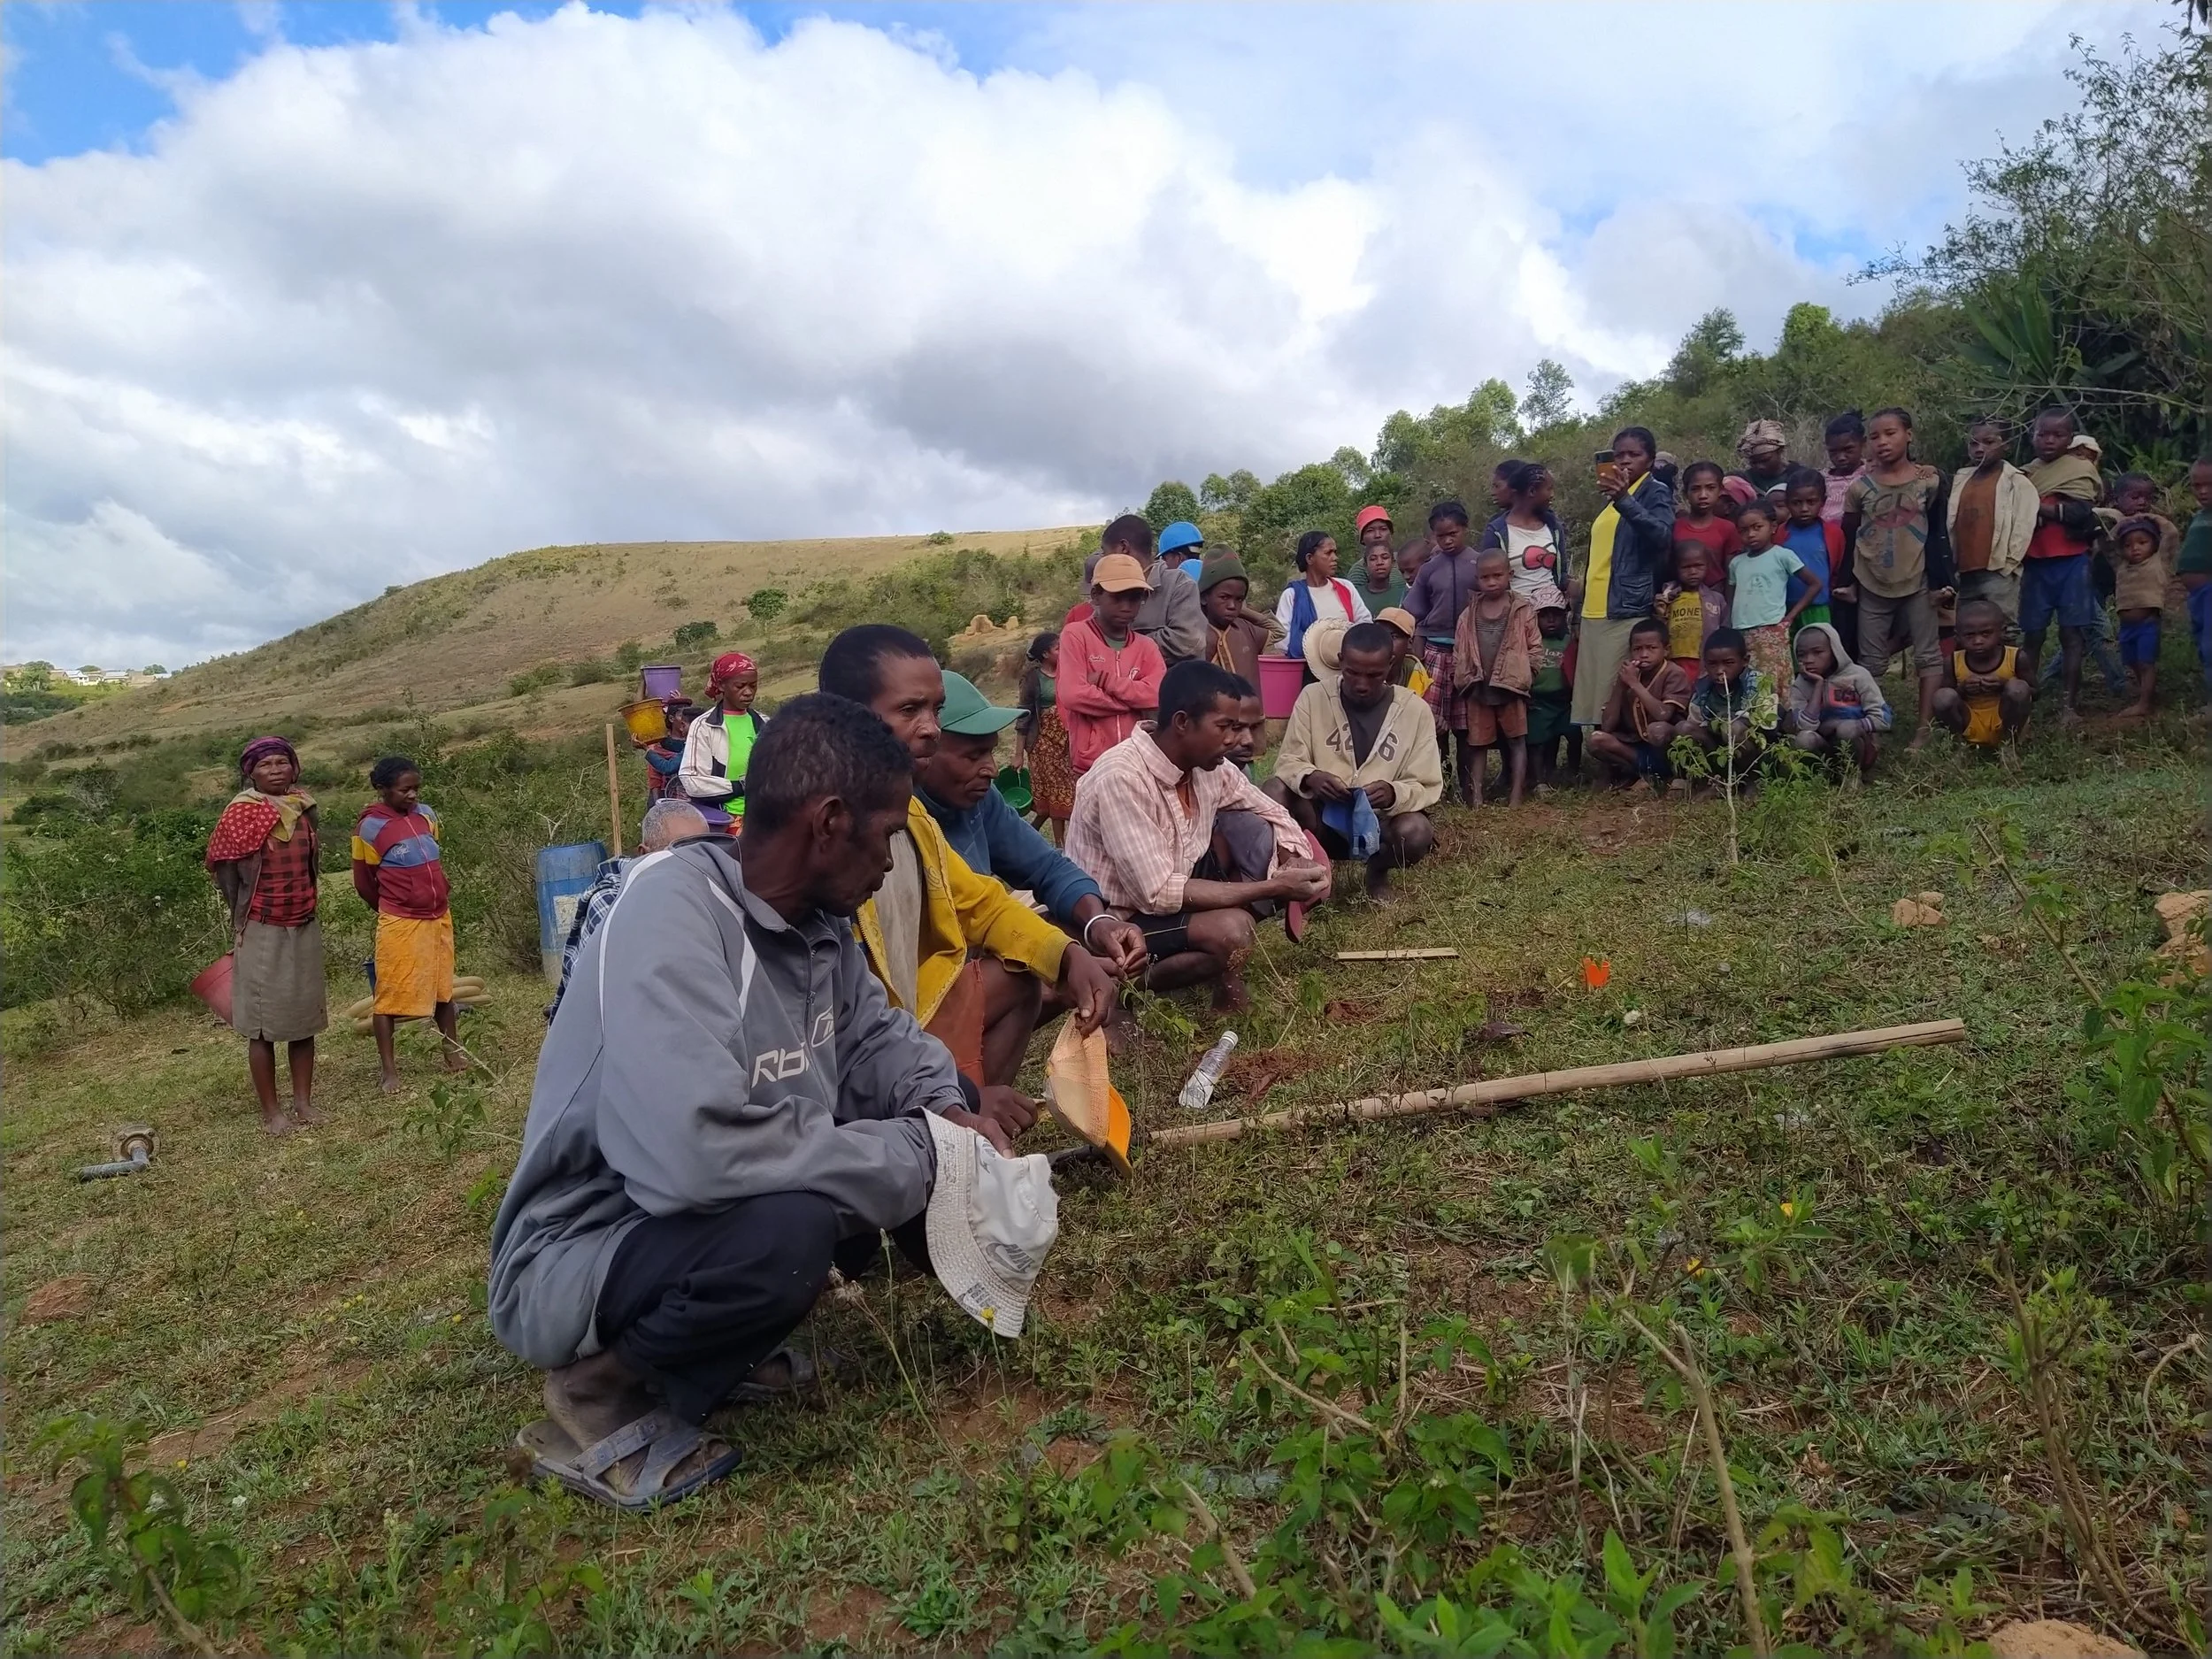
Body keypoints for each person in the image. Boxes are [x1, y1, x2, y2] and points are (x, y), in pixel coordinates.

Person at [491, 695, 1059, 1511]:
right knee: (787, 1229)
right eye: (888, 833)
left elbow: (877, 1043)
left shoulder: (817, 925)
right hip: (583, 1243)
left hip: (680, 1221)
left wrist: (947, 1115)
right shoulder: (673, 915)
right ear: (830, 822)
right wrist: (918, 1155)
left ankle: (716, 1356)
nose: (892, 862)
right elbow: (696, 1155)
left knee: (883, 1155)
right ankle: (596, 1398)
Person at [820, 627, 1118, 1101]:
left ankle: (969, 1125)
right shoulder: (829, 833)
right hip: (856, 1055)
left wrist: (1070, 953)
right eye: (909, 710)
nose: (930, 728)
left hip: (911, 1018)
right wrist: (960, 1097)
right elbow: (850, 1014)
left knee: (1019, 974)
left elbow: (985, 902)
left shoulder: (915, 818)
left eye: (935, 711)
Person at [1065, 661, 1330, 1013]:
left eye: (1236, 728)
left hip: (1162, 903)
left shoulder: (1210, 768)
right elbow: (1156, 894)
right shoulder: (1122, 777)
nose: (1235, 740)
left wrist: (1291, 857)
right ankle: (1116, 984)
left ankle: (1218, 975)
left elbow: (1273, 811)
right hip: (1115, 922)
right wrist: (1273, 888)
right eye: (1224, 727)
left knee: (1255, 831)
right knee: (1233, 930)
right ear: (1181, 723)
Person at [915, 670, 1151, 978]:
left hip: (977, 953)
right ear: (922, 751)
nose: (992, 769)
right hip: (927, 985)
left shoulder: (978, 801)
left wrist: (1098, 922)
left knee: (1069, 933)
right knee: (1027, 974)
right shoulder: (899, 824)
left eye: (989, 752)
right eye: (973, 756)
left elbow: (1047, 867)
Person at [1265, 622, 1442, 900]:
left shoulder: (1414, 710)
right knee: (1273, 790)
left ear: (1390, 664)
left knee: (1416, 831)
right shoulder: (1314, 697)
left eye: (1374, 675)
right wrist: (1311, 777)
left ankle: (1378, 871)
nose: (1362, 684)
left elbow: (1427, 784)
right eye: (1352, 673)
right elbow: (1288, 761)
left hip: (1379, 824)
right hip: (1321, 817)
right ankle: (1299, 876)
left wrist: (1393, 792)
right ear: (1340, 661)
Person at [204, 736, 327, 1134]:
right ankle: (272, 1111)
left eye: (282, 763)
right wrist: (241, 918)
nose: (276, 770)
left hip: (303, 922)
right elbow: (227, 877)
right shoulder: (240, 814)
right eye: (266, 765)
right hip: (262, 926)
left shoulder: (303, 807)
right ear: (250, 773)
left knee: (303, 1017)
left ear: (295, 768)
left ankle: (304, 1103)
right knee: (261, 1025)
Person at [1838, 406, 1953, 751]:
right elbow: (1849, 537)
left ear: (1909, 434)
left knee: (1928, 656)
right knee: (1871, 662)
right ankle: (1871, 730)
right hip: (1871, 581)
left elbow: (1937, 533)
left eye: (1890, 433)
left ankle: (1924, 729)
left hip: (1917, 579)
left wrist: (1941, 581)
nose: (1882, 442)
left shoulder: (1928, 482)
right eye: (1874, 437)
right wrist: (1848, 582)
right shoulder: (1860, 489)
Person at [352, 756, 465, 1093]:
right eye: (405, 790)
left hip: (438, 916)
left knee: (442, 988)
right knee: (389, 995)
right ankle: (389, 1071)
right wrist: (393, 905)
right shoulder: (370, 828)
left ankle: (453, 1053)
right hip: (400, 920)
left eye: (416, 788)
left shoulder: (426, 816)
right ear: (383, 789)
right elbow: (364, 881)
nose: (413, 795)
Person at [547, 798, 710, 1019]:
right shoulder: (610, 903)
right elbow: (605, 997)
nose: (696, 864)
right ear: (645, 853)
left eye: (704, 851)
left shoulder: (708, 897)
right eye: (681, 852)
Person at [1572, 426, 1678, 733]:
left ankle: (1626, 760)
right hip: (1596, 607)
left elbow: (1662, 536)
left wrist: (1624, 500)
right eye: (1620, 455)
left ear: (1651, 460)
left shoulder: (1653, 491)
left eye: (1635, 454)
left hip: (1626, 606)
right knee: (1596, 688)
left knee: (1618, 687)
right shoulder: (1612, 497)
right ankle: (1603, 755)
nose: (1626, 461)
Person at [2017, 408, 2104, 723]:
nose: (2050, 440)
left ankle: (2069, 706)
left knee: (2072, 635)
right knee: (2033, 636)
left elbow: (2083, 512)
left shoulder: (2079, 469)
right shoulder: (2023, 474)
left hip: (2072, 561)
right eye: (2043, 434)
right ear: (2033, 436)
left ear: (2069, 440)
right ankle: (2026, 699)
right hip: (2035, 564)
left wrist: (2039, 509)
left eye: (2058, 435)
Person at [1449, 547, 1542, 806]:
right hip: (1479, 690)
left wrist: (1527, 672)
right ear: (1477, 578)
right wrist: (1464, 675)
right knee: (1478, 744)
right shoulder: (1469, 614)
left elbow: (1535, 646)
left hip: (1511, 688)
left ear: (1509, 575)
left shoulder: (1521, 609)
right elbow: (1460, 650)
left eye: (1497, 576)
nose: (1491, 582)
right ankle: (1477, 798)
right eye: (1485, 577)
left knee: (1516, 740)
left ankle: (1515, 797)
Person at [1060, 554, 1167, 774]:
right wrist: (1135, 701)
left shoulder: (1146, 647)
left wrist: (1105, 681)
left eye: (1135, 598)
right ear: (1096, 596)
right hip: (1092, 764)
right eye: (1117, 597)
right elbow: (1072, 695)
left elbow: (1158, 695)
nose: (1127, 606)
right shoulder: (1076, 635)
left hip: (1137, 761)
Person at [1404, 501, 1484, 768]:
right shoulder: (1429, 569)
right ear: (1433, 536)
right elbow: (1415, 615)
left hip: (1468, 653)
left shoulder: (1478, 564)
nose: (1448, 540)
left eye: (1454, 533)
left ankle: (1466, 781)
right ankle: (1440, 777)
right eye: (1441, 535)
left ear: (1465, 529)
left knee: (1465, 725)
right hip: (1434, 653)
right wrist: (1417, 660)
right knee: (1433, 722)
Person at [1945, 418, 2037, 637]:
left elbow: (2024, 525)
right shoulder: (1961, 478)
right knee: (1967, 628)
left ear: (2006, 445)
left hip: (1998, 570)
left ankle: (2010, 671)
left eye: (1988, 442)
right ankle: (1973, 672)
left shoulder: (2017, 481)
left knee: (2004, 628)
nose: (1980, 449)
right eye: (1974, 443)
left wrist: (2009, 563)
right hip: (1966, 571)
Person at [1082, 514, 1205, 665]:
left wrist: (1122, 647)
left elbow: (1186, 640)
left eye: (1105, 552)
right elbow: (1092, 639)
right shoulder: (1108, 590)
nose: (1103, 558)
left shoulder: (1179, 585)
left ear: (1123, 548)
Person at [1586, 619, 1689, 790]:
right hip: (1635, 747)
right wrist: (1620, 684)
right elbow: (1607, 725)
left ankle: (1672, 774)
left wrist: (1635, 685)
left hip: (1666, 748)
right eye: (1637, 649)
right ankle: (1645, 773)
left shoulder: (1674, 673)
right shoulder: (1629, 676)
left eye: (1651, 648)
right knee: (1596, 740)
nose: (1644, 654)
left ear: (1666, 650)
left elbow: (1663, 715)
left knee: (1657, 730)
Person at [1784, 623, 1891, 785]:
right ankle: (1821, 780)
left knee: (1846, 728)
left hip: (1860, 746)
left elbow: (1883, 719)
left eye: (1818, 652)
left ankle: (1851, 777)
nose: (1809, 660)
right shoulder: (1801, 684)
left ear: (1834, 651)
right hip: (1825, 746)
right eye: (1802, 655)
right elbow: (1804, 726)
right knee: (1804, 739)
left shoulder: (1858, 675)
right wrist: (1818, 685)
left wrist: (1839, 724)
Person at [1724, 498, 1816, 682]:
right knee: (1747, 680)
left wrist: (1790, 617)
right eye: (1744, 530)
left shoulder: (1782, 555)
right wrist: (1730, 623)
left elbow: (1815, 584)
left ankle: (1781, 711)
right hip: (1741, 631)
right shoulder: (1736, 563)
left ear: (1773, 527)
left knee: (1773, 679)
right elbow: (1731, 595)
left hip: (1771, 629)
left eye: (1757, 527)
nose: (1751, 534)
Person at [1678, 627, 1780, 783]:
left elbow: (1768, 724)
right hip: (1719, 751)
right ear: (1705, 664)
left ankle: (1753, 781)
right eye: (1713, 664)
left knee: (1733, 727)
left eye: (1728, 663)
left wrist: (1730, 719)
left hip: (1758, 752)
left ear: (1745, 661)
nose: (1720, 670)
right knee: (1683, 729)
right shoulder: (1703, 690)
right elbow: (1695, 724)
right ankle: (1712, 780)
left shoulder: (1758, 683)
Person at [679, 652, 765, 829]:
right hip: (723, 821)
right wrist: (739, 787)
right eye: (740, 686)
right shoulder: (704, 726)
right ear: (721, 685)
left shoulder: (766, 723)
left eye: (753, 686)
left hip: (764, 817)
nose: (748, 692)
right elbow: (692, 780)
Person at [1932, 599, 2033, 749]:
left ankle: (2009, 745)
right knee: (1942, 696)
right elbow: (1946, 699)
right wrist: (1963, 689)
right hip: (1969, 720)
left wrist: (2004, 684)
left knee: (2018, 687)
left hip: (2005, 719)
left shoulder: (2016, 657)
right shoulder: (1953, 661)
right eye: (1969, 635)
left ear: (2002, 631)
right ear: (1958, 636)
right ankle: (1959, 745)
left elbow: (2035, 692)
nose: (1978, 641)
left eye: (1986, 634)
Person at [1013, 633, 1075, 841]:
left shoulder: (1070, 671)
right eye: (1057, 648)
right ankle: (1060, 845)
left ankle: (1028, 833)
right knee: (1056, 792)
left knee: (1065, 792)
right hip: (1043, 743)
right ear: (1045, 654)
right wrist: (1018, 754)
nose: (1062, 652)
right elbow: (1024, 715)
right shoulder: (1033, 679)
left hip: (1068, 741)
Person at [1274, 530, 1371, 661]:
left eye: (1335, 552)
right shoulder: (1292, 595)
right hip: (1307, 668)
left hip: (1347, 664)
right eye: (1328, 553)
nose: (1335, 558)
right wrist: (1318, 651)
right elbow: (1281, 638)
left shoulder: (1345, 587)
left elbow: (1365, 623)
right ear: (1310, 558)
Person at [2107, 516, 2169, 719]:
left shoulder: (2158, 561)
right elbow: (2108, 543)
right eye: (2128, 545)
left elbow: (2172, 534)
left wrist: (2150, 518)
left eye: (2143, 542)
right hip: (2126, 626)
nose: (2135, 548)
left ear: (2155, 543)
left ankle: (2144, 704)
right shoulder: (2122, 566)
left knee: (2145, 662)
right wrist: (2123, 523)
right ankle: (2148, 691)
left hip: (2147, 623)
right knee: (2132, 662)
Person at [1480, 461, 1568, 604]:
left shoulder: (1553, 527)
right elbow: (1488, 578)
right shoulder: (1497, 531)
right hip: (1515, 615)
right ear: (1532, 492)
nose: (1552, 495)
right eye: (1549, 489)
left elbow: (1561, 574)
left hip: (1552, 617)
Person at [1525, 585, 1578, 791]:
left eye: (1556, 615)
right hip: (1538, 700)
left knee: (1574, 735)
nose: (1550, 620)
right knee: (1538, 740)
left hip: (1564, 700)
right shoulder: (1531, 643)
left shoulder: (1568, 642)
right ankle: (1539, 780)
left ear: (1564, 616)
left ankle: (1572, 772)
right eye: (1544, 616)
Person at [1199, 557, 1282, 687]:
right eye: (1224, 597)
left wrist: (1243, 611)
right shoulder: (1196, 632)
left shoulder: (1246, 629)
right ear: (1204, 598)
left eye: (1239, 599)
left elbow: (1278, 631)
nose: (1232, 605)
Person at [1778, 467, 1839, 634]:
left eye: (1811, 502)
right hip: (1783, 608)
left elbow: (1837, 566)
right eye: (1797, 503)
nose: (1804, 508)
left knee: (1817, 650)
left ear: (1823, 502)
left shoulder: (1832, 533)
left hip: (1819, 606)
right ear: (1787, 502)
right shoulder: (1778, 534)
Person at [1662, 542, 1730, 682]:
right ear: (1676, 569)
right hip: (1674, 660)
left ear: (1707, 566)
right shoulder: (1668, 597)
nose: (1693, 572)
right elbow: (1660, 626)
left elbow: (1725, 630)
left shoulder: (1716, 599)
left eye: (1699, 566)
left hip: (1704, 661)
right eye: (1686, 567)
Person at [1672, 462, 1741, 587]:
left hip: (1717, 597)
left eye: (1710, 488)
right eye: (1695, 489)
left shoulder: (1728, 529)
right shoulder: (1675, 527)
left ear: (1720, 491)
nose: (1703, 495)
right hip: (1681, 598)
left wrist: (1728, 604)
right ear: (1685, 493)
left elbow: (1731, 574)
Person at [2179, 457, 2212, 717]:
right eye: (2197, 485)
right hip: (2199, 597)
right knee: (2204, 645)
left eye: (2210, 485)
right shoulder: (2201, 516)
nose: (2203, 491)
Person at [641, 700, 695, 804]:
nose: (683, 721)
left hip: (690, 798)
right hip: (665, 796)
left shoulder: (693, 744)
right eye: (681, 716)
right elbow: (655, 777)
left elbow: (667, 767)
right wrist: (657, 804)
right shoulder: (660, 745)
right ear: (671, 718)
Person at [1352, 505, 1405, 612]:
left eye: (1383, 529)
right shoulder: (1358, 570)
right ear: (1362, 538)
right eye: (1370, 531)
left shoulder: (1404, 559)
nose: (1378, 535)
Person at [1821, 411, 1868, 524]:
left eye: (1848, 450)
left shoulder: (1871, 474)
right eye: (1833, 452)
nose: (1841, 457)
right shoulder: (1820, 479)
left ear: (1863, 443)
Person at [1374, 606, 1432, 695]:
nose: (1385, 641)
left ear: (1409, 643)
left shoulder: (1415, 674)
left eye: (1394, 637)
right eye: (1379, 633)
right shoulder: (1359, 664)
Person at [1732, 419, 1793, 500]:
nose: (1760, 466)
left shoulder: (1799, 477)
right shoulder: (1745, 481)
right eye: (1754, 462)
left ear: (1779, 451)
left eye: (1765, 460)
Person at [1160, 519, 1205, 583]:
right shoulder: (1211, 579)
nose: (1164, 564)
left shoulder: (1176, 587)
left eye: (1165, 559)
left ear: (1180, 558)